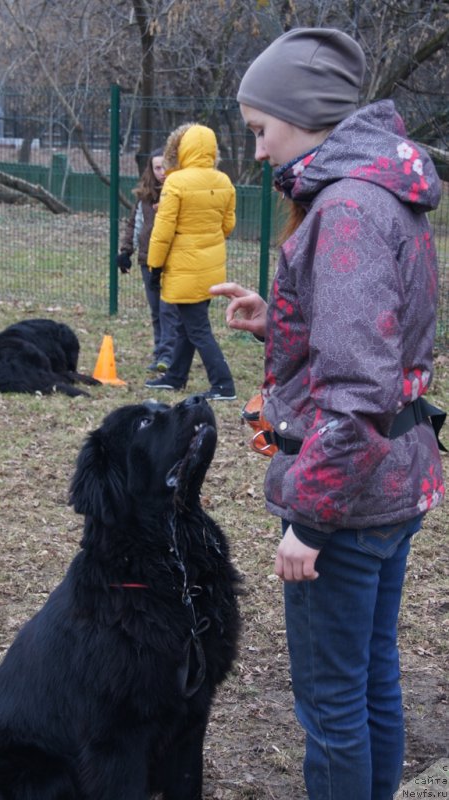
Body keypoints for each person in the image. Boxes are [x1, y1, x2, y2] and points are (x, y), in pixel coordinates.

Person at [210, 27, 445, 800]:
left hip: (345, 499)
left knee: (331, 703)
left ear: (303, 118)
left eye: (258, 130)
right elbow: (379, 342)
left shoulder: (343, 210)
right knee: (371, 676)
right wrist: (278, 321)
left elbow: (354, 392)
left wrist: (308, 521)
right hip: (392, 484)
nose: (254, 150)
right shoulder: (382, 194)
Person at [144, 123, 237, 400]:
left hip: (184, 267)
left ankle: (223, 385)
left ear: (180, 149)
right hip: (210, 267)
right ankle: (175, 376)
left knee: (197, 328)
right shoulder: (224, 181)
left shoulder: (176, 182)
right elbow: (228, 225)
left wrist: (155, 266)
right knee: (187, 324)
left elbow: (163, 231)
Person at [117, 148, 179, 373]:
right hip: (147, 259)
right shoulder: (144, 198)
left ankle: (168, 356)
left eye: (165, 166)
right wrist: (126, 251)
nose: (162, 172)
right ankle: (160, 352)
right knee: (155, 310)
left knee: (168, 309)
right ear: (151, 170)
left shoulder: (178, 192)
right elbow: (134, 224)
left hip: (172, 260)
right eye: (157, 167)